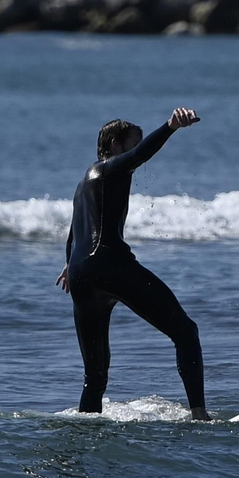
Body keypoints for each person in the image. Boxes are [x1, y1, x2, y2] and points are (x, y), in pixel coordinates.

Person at [56, 107, 207, 419]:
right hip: (109, 264)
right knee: (185, 332)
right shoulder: (109, 169)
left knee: (95, 375)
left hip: (81, 274)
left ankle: (87, 428)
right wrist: (170, 127)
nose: (136, 154)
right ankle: (199, 415)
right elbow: (141, 155)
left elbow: (74, 232)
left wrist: (70, 264)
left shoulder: (84, 184)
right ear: (115, 146)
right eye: (132, 144)